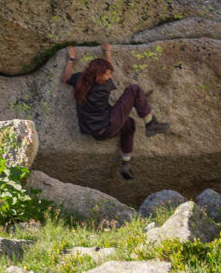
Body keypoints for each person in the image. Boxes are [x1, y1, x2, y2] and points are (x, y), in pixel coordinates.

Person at [61, 43, 169, 179]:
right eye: (108, 74)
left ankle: (126, 164)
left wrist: (71, 58)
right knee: (134, 89)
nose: (110, 77)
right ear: (100, 74)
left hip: (97, 133)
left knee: (129, 124)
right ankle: (150, 123)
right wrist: (108, 52)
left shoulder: (80, 80)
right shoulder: (103, 86)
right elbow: (109, 68)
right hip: (108, 125)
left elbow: (65, 78)